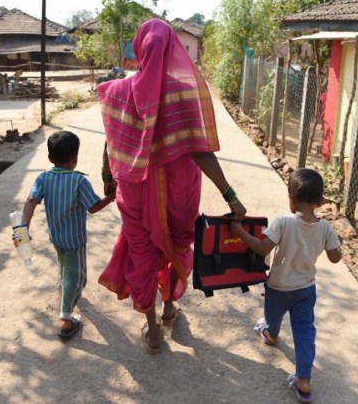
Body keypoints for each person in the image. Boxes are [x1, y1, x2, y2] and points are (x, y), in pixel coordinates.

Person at [96, 18, 247, 354]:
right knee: (177, 245)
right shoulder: (182, 92)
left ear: (139, 48)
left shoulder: (117, 91)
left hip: (134, 192)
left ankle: (152, 331)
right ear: (173, 50)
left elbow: (111, 141)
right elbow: (201, 151)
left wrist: (108, 180)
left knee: (142, 254)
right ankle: (168, 308)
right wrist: (230, 195)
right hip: (181, 192)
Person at [229, 168, 342, 403]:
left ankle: (270, 333)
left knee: (272, 315)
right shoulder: (325, 228)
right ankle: (304, 382)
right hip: (306, 289)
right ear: (321, 201)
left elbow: (262, 248)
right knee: (304, 332)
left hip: (279, 287)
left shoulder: (283, 222)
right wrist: (335, 242)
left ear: (291, 197)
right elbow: (335, 257)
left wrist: (238, 231)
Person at [21, 130, 115, 340]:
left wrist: (23, 229)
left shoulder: (43, 177)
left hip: (56, 237)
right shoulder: (79, 181)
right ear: (75, 158)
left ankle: (66, 290)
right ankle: (66, 319)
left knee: (64, 267)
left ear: (50, 158)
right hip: (75, 240)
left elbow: (30, 202)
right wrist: (111, 198)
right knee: (77, 276)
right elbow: (93, 207)